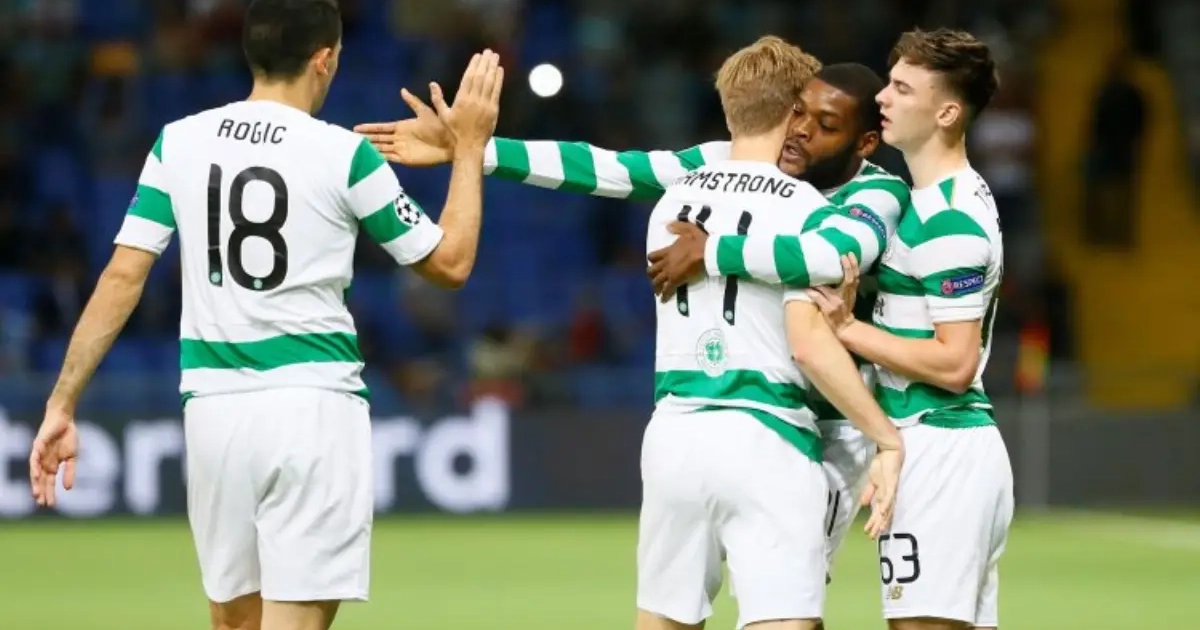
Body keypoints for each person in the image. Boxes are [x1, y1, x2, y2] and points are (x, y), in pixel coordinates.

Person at [27, 1, 504, 629]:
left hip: (215, 412)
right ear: (324, 60)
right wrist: (468, 148)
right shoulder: (344, 154)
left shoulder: (180, 142)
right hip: (313, 409)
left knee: (233, 623)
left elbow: (122, 276)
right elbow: (450, 263)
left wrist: (62, 404)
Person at [355, 62, 909, 593]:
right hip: (757, 414)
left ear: (863, 142)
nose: (802, 131)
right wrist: (472, 149)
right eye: (799, 113)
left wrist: (712, 249)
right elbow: (607, 168)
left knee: (790, 597)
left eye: (824, 124)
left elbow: (832, 255)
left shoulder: (876, 191)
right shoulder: (729, 162)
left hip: (835, 422)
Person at [638, 36, 904, 630]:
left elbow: (595, 166)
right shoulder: (806, 211)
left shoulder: (672, 200)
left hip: (673, 432)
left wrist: (478, 148)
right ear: (791, 110)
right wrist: (885, 437)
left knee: (662, 618)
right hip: (769, 434)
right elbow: (808, 343)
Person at [808, 29, 1013, 630]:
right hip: (940, 447)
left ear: (946, 113)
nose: (882, 98)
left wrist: (847, 329)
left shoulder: (949, 218)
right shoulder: (937, 199)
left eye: (902, 88)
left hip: (940, 446)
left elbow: (955, 364)